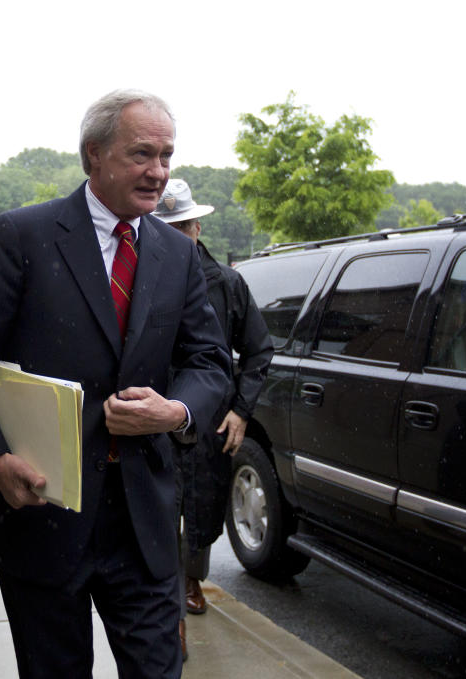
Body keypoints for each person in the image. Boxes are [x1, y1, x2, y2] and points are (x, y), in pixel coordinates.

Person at [0, 90, 231, 679]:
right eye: (142, 154)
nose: (159, 172)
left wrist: (177, 411)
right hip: (41, 510)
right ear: (93, 154)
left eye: (167, 156)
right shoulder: (23, 236)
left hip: (143, 523)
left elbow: (211, 361)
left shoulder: (177, 253)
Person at [153, 178, 273, 656]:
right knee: (157, 502)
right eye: (168, 227)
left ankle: (190, 579)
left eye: (183, 226)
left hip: (209, 419)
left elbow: (258, 349)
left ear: (197, 227)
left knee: (202, 506)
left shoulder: (226, 282)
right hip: (155, 413)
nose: (178, 235)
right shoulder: (142, 278)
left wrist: (241, 412)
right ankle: (163, 588)